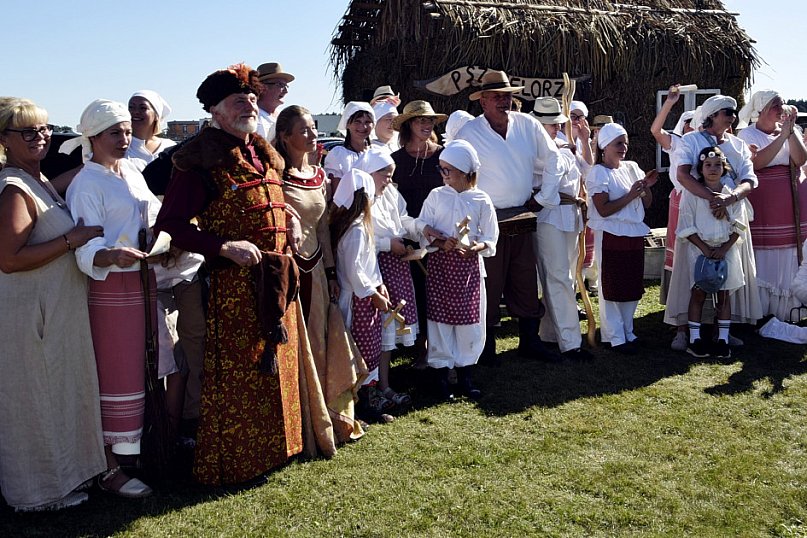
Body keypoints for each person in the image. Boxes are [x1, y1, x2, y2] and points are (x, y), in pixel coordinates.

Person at [155, 63, 321, 485]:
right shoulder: (199, 159)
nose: (247, 105)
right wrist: (222, 247)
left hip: (277, 279)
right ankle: (239, 462)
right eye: (236, 101)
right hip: (234, 287)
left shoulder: (263, 152)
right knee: (243, 373)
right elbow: (171, 224)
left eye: (250, 98)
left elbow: (269, 199)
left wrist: (288, 217)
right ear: (215, 111)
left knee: (277, 363)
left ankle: (279, 448)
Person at [0, 98, 106, 512]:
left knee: (53, 394)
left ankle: (60, 481)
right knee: (32, 400)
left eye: (44, 129)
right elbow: (9, 259)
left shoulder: (37, 179)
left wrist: (99, 161)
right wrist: (69, 241)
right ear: (5, 139)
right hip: (31, 313)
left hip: (53, 309)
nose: (40, 137)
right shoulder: (14, 189)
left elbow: (59, 189)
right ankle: (34, 495)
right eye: (28, 132)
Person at [61, 99, 156, 498]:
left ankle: (132, 454)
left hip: (140, 282)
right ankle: (107, 468)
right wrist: (111, 255)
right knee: (113, 374)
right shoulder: (86, 184)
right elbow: (86, 247)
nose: (124, 139)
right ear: (93, 137)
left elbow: (151, 212)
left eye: (127, 132)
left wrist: (160, 234)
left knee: (139, 369)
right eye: (114, 133)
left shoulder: (131, 170)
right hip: (109, 290)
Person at [456, 70, 563, 363]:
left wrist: (543, 198)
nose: (504, 101)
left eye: (507, 96)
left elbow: (554, 158)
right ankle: (486, 347)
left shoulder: (528, 124)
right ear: (483, 102)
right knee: (489, 282)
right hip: (486, 220)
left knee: (525, 278)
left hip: (522, 215)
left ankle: (529, 341)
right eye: (496, 97)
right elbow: (456, 173)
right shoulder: (469, 133)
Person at [274, 104, 366, 443]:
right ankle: (299, 423)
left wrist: (330, 272)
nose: (313, 135)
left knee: (321, 339)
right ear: (285, 137)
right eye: (304, 130)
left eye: (314, 127)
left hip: (316, 270)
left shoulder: (318, 175)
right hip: (289, 271)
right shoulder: (276, 177)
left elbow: (324, 229)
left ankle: (326, 415)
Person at [668, 95, 762, 332]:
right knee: (692, 275)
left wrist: (729, 199)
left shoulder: (738, 144)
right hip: (698, 212)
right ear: (712, 115)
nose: (732, 116)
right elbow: (682, 175)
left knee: (727, 277)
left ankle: (724, 333)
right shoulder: (691, 140)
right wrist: (712, 199)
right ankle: (685, 331)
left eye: (734, 112)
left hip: (731, 213)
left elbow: (749, 180)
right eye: (727, 112)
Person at [417, 140, 498, 399]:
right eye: (441, 169)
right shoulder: (436, 196)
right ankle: (441, 376)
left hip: (467, 268)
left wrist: (477, 246)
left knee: (468, 323)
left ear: (464, 172)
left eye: (447, 170)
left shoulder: (480, 199)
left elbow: (491, 236)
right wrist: (441, 242)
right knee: (440, 321)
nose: (442, 174)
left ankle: (466, 376)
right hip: (441, 266)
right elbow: (423, 227)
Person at [359, 147, 427, 408]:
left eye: (390, 174)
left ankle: (384, 383)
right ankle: (372, 386)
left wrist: (422, 229)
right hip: (374, 269)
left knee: (389, 327)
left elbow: (403, 218)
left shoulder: (389, 193)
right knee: (377, 328)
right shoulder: (361, 198)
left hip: (396, 267)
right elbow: (358, 238)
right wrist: (388, 244)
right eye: (383, 174)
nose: (388, 179)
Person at [586, 123, 657, 353]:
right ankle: (614, 336)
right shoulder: (599, 172)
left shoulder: (632, 167)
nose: (623, 147)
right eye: (618, 143)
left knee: (631, 284)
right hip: (610, 233)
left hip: (633, 232)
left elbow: (647, 203)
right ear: (605, 146)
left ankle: (628, 331)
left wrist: (645, 187)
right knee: (612, 285)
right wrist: (631, 194)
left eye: (625, 143)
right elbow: (603, 209)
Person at [530, 98, 592, 360]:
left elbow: (586, 170)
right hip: (548, 217)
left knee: (564, 277)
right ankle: (570, 342)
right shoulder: (534, 150)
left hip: (569, 215)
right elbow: (547, 185)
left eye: (557, 123)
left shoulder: (564, 145)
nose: (556, 128)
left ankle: (550, 333)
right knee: (558, 278)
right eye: (550, 124)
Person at [737, 90, 807, 321]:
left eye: (783, 104)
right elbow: (757, 163)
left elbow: (800, 159)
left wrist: (790, 132)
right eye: (776, 105)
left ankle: (789, 307)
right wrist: (782, 136)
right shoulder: (747, 134)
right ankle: (762, 308)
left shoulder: (791, 130)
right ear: (762, 110)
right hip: (764, 203)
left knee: (790, 251)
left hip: (792, 203)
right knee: (765, 252)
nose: (782, 108)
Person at [330, 167, 393, 422]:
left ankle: (367, 401)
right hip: (358, 302)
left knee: (369, 349)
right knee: (361, 354)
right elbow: (355, 270)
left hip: (366, 298)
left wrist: (380, 284)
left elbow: (369, 264)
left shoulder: (359, 226)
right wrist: (372, 293)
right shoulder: (355, 230)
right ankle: (359, 407)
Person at [390, 100, 447, 367]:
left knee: (443, 291)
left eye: (430, 120)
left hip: (441, 232)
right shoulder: (396, 160)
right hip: (411, 233)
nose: (426, 124)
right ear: (409, 125)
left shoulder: (443, 156)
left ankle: (446, 347)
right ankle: (422, 347)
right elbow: (392, 201)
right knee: (419, 291)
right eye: (420, 120)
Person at [677, 147, 746, 358]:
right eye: (708, 165)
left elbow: (740, 225)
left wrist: (724, 249)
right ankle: (695, 339)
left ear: (724, 168)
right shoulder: (692, 194)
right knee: (698, 292)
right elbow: (686, 225)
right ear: (701, 168)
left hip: (725, 250)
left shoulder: (730, 195)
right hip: (700, 250)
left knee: (723, 295)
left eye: (717, 165)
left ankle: (722, 340)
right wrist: (705, 249)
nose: (713, 169)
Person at [650, 84, 696, 350]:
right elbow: (656, 130)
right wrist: (669, 102)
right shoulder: (676, 143)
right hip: (681, 203)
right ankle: (680, 324)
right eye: (689, 122)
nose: (692, 126)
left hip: (702, 204)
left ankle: (710, 323)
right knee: (681, 261)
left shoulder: (708, 144)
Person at [324, 102, 375, 193]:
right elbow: (337, 193)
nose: (363, 126)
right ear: (347, 124)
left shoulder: (376, 153)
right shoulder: (338, 155)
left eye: (367, 122)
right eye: (357, 121)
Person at [127, 90, 176, 168]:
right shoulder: (120, 145)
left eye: (143, 108)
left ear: (156, 115)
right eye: (131, 107)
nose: (135, 112)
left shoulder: (170, 146)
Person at [255, 62, 294, 142]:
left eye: (286, 86)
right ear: (263, 88)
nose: (286, 91)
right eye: (281, 85)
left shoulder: (284, 116)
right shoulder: (253, 118)